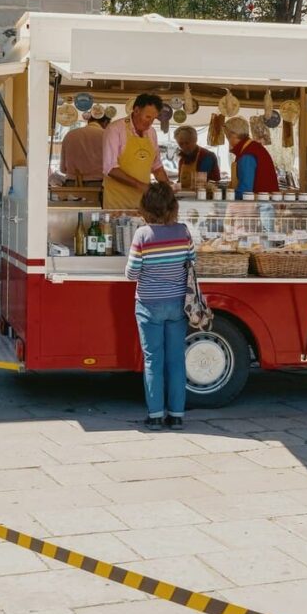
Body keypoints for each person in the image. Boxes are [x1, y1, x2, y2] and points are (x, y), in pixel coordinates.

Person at [126, 182, 194, 431]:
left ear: (146, 207)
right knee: (176, 359)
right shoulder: (184, 231)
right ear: (172, 207)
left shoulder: (142, 235)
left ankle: (155, 415)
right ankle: (177, 415)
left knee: (153, 360)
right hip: (177, 303)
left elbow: (132, 273)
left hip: (148, 304)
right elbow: (192, 263)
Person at [103, 93, 169, 209]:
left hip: (143, 205)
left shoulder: (151, 132)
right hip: (118, 204)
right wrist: (141, 186)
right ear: (137, 110)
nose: (150, 123)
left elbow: (157, 167)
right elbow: (110, 169)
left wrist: (167, 189)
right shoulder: (115, 129)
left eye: (153, 119)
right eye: (147, 117)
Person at [224, 115, 279, 198]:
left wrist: (225, 196)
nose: (228, 140)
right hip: (267, 203)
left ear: (233, 135)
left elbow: (245, 190)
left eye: (227, 136)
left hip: (260, 206)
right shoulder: (254, 148)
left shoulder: (248, 154)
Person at [60, 104, 109, 183]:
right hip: (98, 185)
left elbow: (62, 169)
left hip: (71, 184)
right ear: (106, 122)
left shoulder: (70, 135)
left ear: (89, 120)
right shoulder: (106, 136)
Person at [174, 125, 220, 190]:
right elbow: (180, 182)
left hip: (205, 195)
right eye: (181, 144)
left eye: (187, 143)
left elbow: (201, 181)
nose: (184, 147)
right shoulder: (182, 159)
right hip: (185, 196)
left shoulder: (207, 156)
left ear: (195, 140)